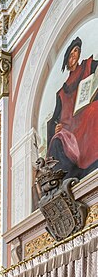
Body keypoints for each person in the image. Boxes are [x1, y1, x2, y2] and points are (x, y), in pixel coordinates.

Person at [46, 36, 98, 178]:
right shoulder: (61, 93)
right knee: (57, 139)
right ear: (67, 58)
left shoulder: (89, 65)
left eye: (77, 51)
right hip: (70, 129)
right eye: (73, 52)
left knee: (94, 110)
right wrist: (55, 127)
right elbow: (54, 120)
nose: (75, 54)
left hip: (85, 114)